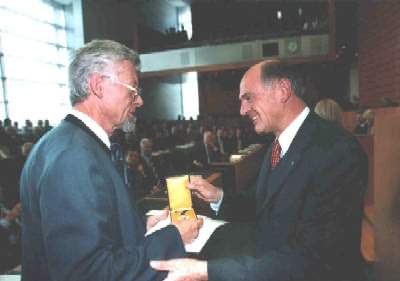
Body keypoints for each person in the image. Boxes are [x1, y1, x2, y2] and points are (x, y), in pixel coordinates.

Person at [151, 61, 368, 281]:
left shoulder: (336, 151)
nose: (242, 110)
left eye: (248, 98)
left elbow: (315, 257)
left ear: (283, 90)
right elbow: (263, 203)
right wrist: (218, 196)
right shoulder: (278, 144)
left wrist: (207, 271)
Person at [20, 39, 203, 281]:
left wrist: (142, 225)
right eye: (133, 90)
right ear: (98, 86)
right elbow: (89, 272)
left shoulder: (68, 143)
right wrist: (173, 237)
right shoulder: (74, 156)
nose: (139, 101)